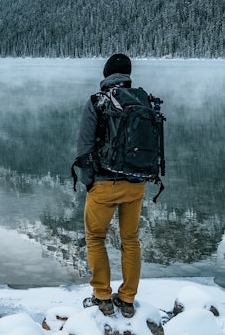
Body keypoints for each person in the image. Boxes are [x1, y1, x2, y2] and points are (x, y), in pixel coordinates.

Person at [75, 53, 145, 319]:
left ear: (106, 75)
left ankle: (102, 296)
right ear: (128, 75)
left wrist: (89, 182)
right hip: (136, 185)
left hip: (104, 185)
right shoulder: (144, 100)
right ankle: (127, 299)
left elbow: (84, 148)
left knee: (95, 238)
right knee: (130, 240)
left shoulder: (97, 101)